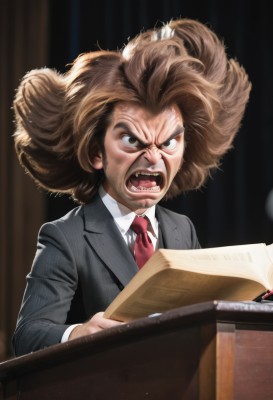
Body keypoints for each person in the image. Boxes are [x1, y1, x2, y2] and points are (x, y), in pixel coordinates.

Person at [12, 18, 251, 356]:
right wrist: (78, 332)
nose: (152, 158)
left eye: (169, 142)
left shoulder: (182, 230)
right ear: (97, 152)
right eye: (131, 140)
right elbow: (28, 334)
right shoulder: (65, 238)